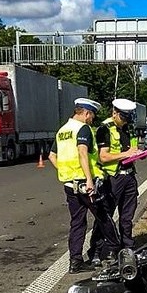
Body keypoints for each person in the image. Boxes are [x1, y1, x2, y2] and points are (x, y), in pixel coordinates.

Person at [49, 97, 120, 274]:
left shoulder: (62, 131)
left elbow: (52, 156)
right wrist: (89, 179)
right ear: (86, 113)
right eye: (92, 116)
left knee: (77, 223)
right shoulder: (83, 129)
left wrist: (66, 171)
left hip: (69, 184)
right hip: (86, 184)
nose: (92, 119)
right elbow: (82, 152)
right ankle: (117, 252)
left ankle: (75, 262)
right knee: (104, 218)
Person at [88, 98, 141, 266]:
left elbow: (130, 150)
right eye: (123, 117)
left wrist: (139, 154)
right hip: (113, 179)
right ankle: (97, 250)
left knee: (127, 217)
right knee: (106, 217)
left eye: (128, 117)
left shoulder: (128, 128)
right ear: (115, 113)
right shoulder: (104, 129)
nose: (126, 120)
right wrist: (126, 155)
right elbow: (103, 157)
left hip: (129, 176)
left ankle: (127, 247)